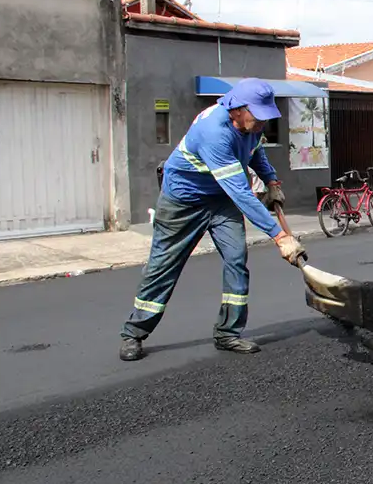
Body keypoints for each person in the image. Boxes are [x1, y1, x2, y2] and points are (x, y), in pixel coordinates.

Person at [119, 78, 305, 362]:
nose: (261, 124)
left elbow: (255, 152)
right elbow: (242, 194)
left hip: (219, 200)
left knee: (236, 259)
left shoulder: (251, 126)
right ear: (236, 109)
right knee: (163, 266)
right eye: (257, 118)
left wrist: (271, 180)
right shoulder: (213, 132)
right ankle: (134, 332)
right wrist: (280, 236)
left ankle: (228, 333)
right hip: (183, 201)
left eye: (265, 119)